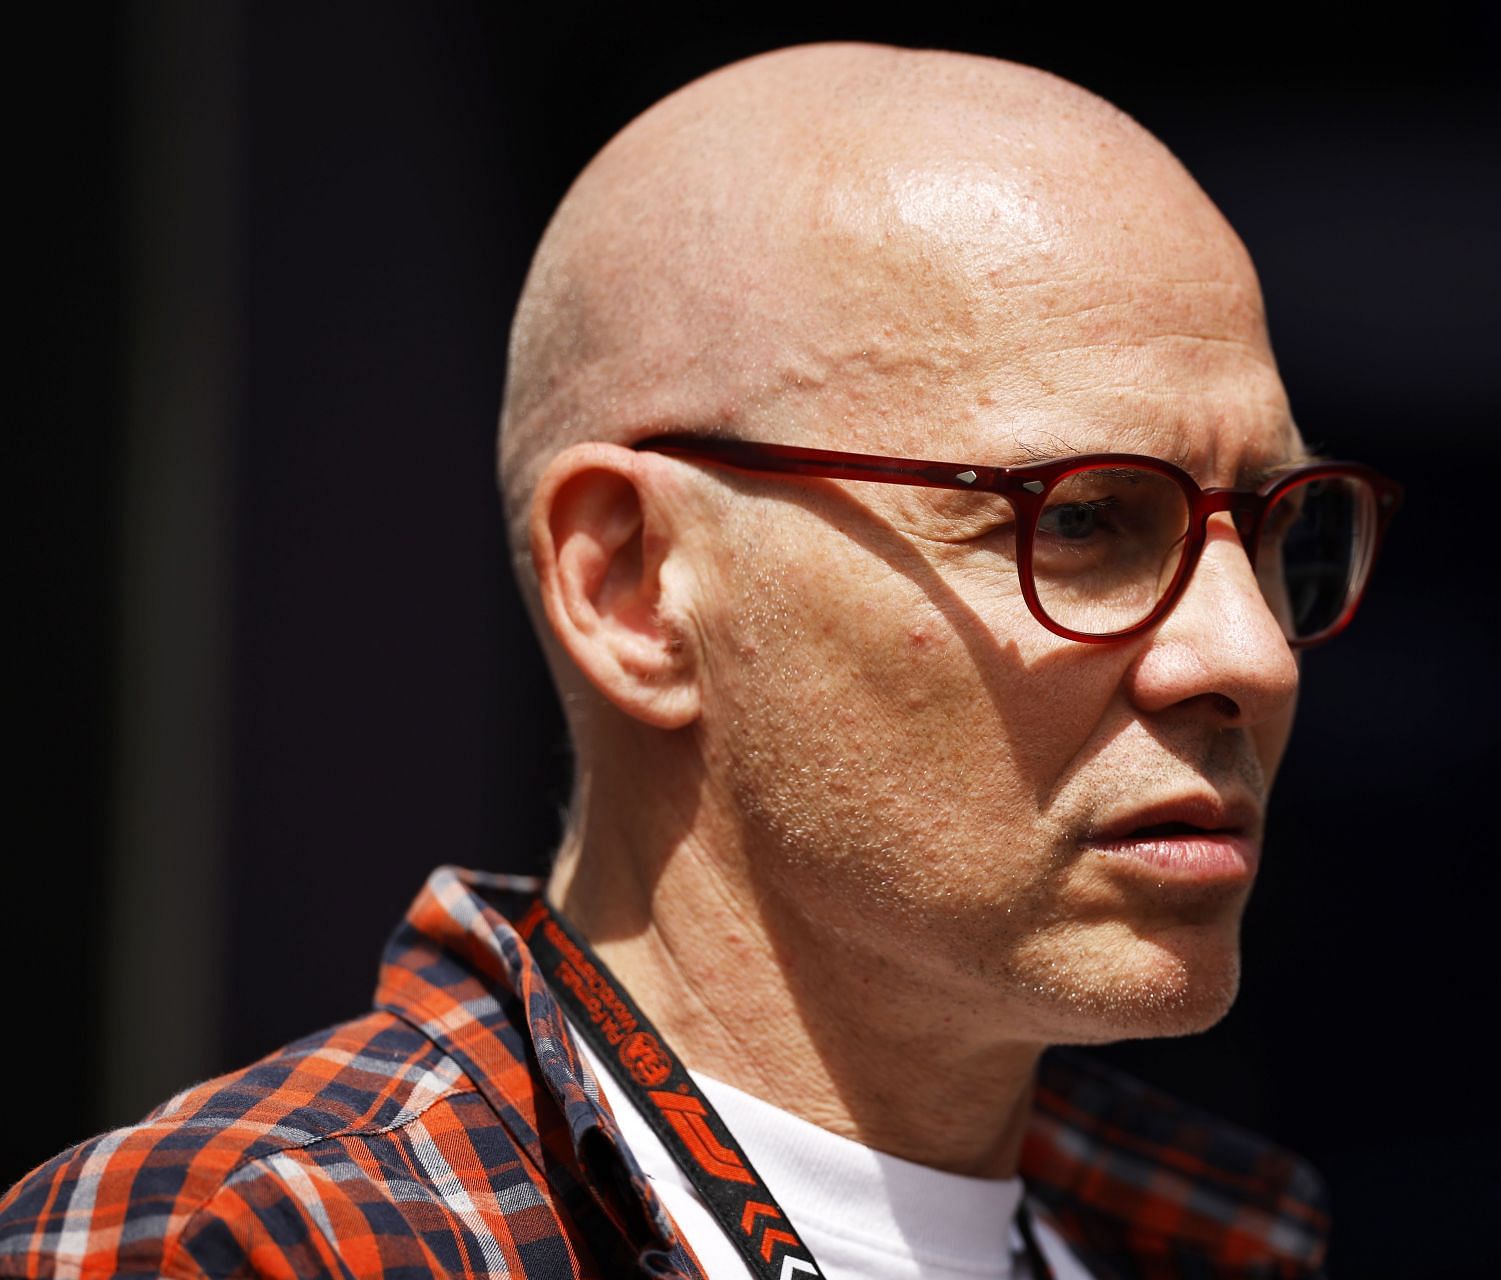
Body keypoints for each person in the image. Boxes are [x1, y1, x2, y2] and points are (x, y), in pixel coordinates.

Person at [2, 43, 1399, 1280]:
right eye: (1085, 519)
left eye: (1276, 529)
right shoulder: (277, 1244)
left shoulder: (1208, 1236)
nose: (1249, 652)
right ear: (632, 590)